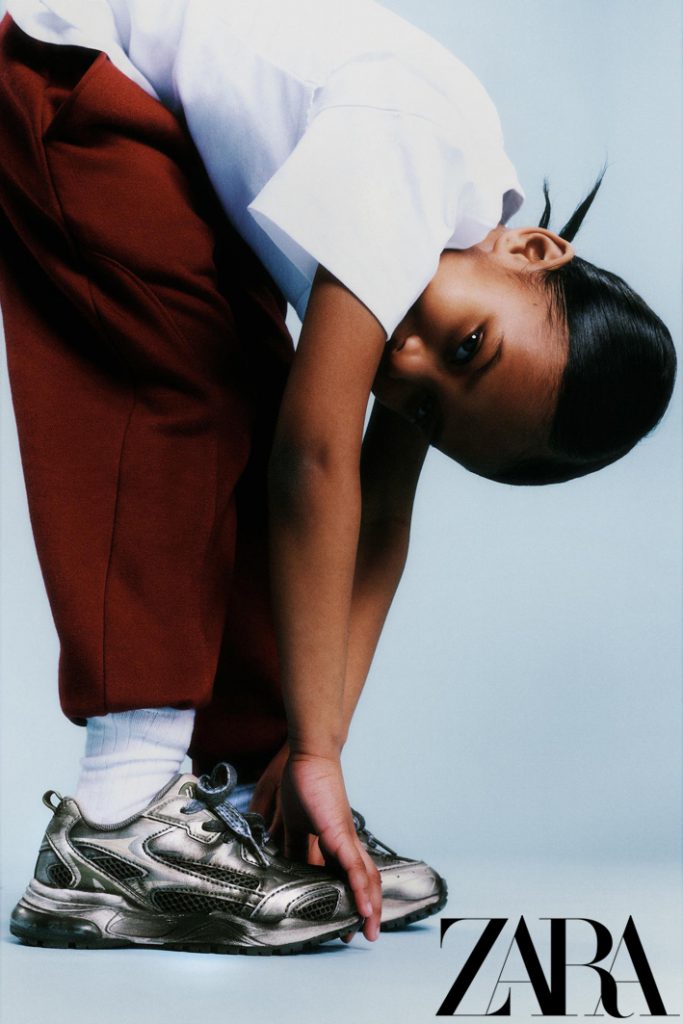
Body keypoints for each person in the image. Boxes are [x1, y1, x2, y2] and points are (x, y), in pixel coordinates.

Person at [0, 0, 676, 955]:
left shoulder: (447, 285)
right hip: (68, 60)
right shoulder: (412, 157)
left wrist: (306, 746)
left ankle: (244, 798)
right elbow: (317, 461)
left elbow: (380, 511)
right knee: (180, 388)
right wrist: (318, 747)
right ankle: (119, 814)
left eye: (427, 412)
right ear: (530, 250)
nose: (407, 366)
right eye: (468, 347)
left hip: (158, 123)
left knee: (251, 408)